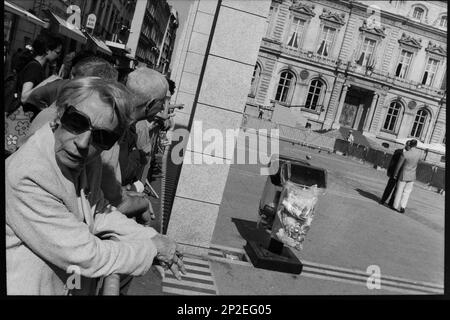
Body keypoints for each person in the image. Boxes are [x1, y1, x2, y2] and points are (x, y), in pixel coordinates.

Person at [5, 77, 186, 295]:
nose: (83, 143)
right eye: (77, 122)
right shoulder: (29, 174)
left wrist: (149, 237)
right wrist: (150, 249)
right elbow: (85, 254)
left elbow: (99, 211)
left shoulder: (87, 160)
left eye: (102, 137)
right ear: (60, 113)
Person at [18, 34, 63, 107]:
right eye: (57, 52)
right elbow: (24, 97)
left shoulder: (38, 66)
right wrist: (48, 81)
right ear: (47, 50)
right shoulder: (34, 67)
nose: (59, 56)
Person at [392, 139, 421, 213]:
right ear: (416, 145)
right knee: (407, 192)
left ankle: (395, 206)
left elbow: (399, 165)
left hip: (403, 174)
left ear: (410, 145)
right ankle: (403, 207)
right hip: (412, 175)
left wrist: (395, 174)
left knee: (399, 190)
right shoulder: (419, 153)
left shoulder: (405, 154)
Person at [379, 141, 410, 206]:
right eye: (409, 145)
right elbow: (392, 162)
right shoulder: (398, 151)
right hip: (394, 172)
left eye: (411, 146)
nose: (409, 147)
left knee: (397, 190)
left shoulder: (409, 155)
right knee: (389, 187)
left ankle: (391, 203)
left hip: (402, 175)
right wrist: (389, 171)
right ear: (406, 144)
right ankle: (383, 200)